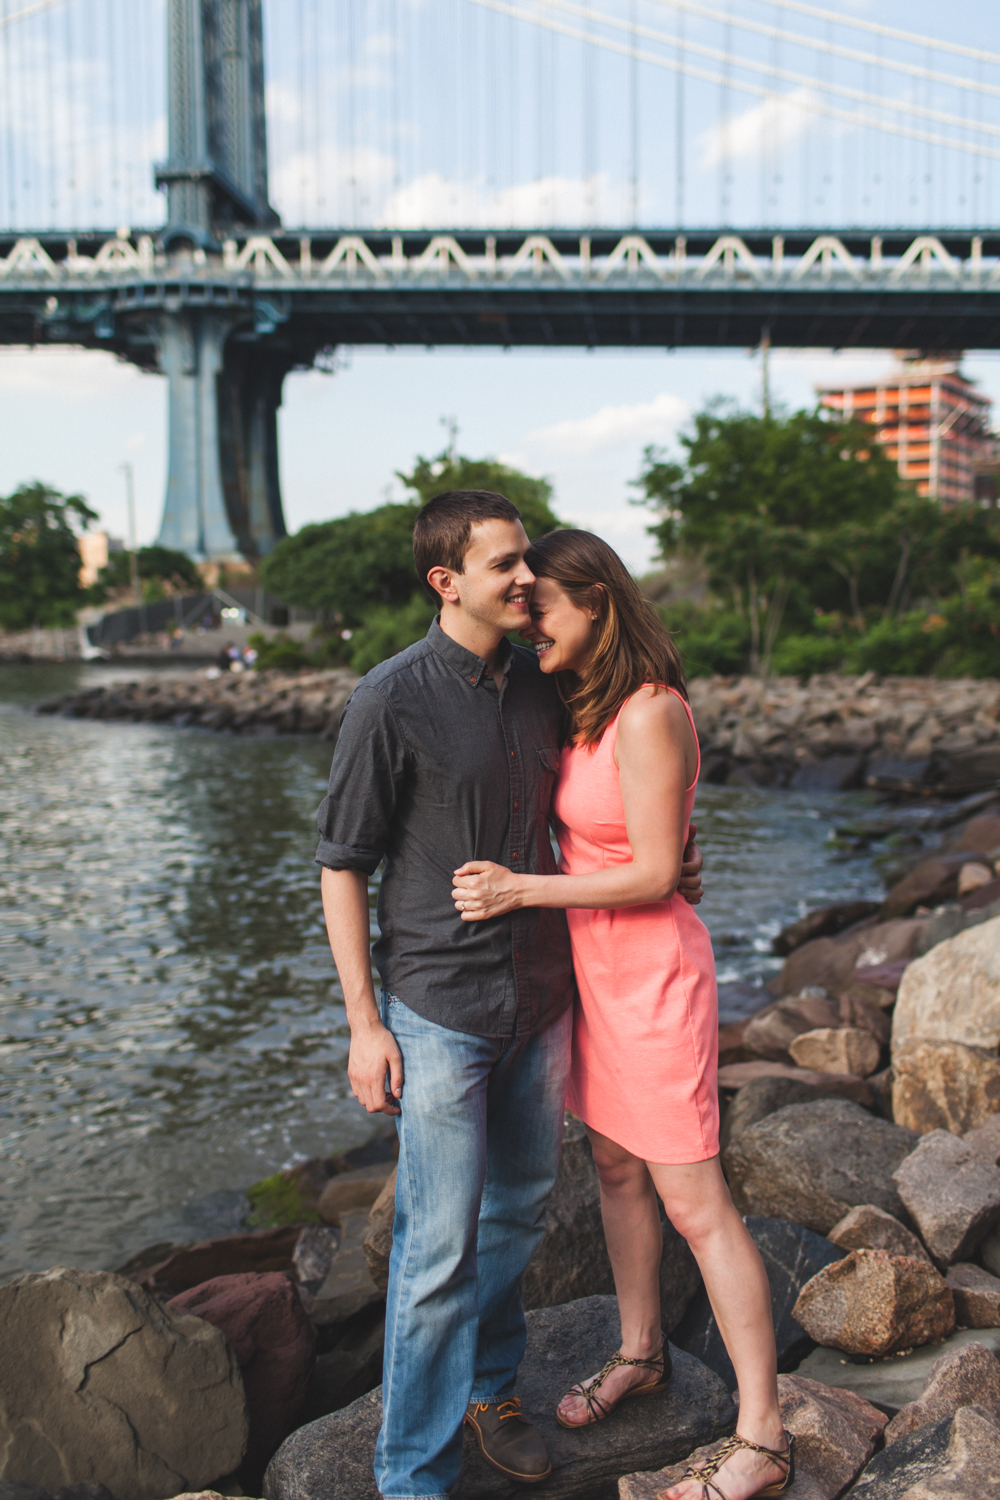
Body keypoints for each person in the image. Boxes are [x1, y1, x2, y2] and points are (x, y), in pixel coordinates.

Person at [316, 493, 704, 1500]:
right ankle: (411, 1476)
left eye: (527, 558)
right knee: (434, 1253)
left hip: (543, 998)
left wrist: (671, 859)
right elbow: (340, 865)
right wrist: (364, 1024)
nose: (525, 577)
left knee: (519, 1213)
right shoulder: (388, 697)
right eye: (505, 565)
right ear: (447, 582)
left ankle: (491, 1389)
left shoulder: (546, 682)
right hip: (438, 1009)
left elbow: (599, 806)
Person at [451, 529, 793, 1500]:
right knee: (611, 1167)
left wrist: (521, 891)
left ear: (596, 602)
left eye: (543, 608)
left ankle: (761, 1437)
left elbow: (649, 873)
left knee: (696, 1203)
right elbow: (645, 846)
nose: (528, 623)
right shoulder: (581, 705)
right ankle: (641, 1350)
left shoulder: (649, 712)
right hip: (591, 978)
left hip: (649, 980)